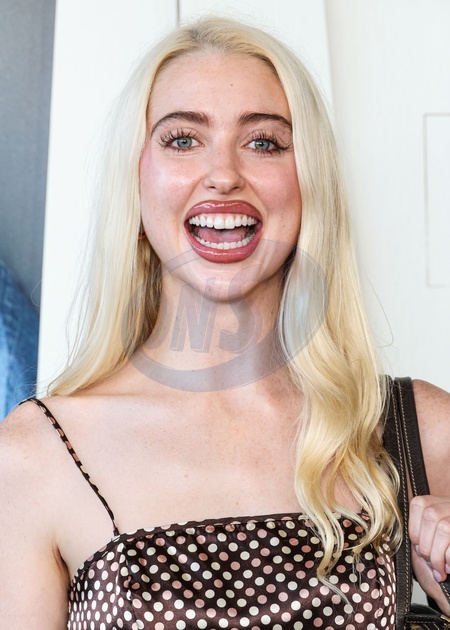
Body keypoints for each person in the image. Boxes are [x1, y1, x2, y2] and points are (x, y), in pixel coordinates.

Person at [0, 16, 449, 629]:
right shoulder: (36, 455)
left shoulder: (422, 431)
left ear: (309, 180)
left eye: (263, 142)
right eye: (183, 139)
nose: (223, 174)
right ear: (137, 177)